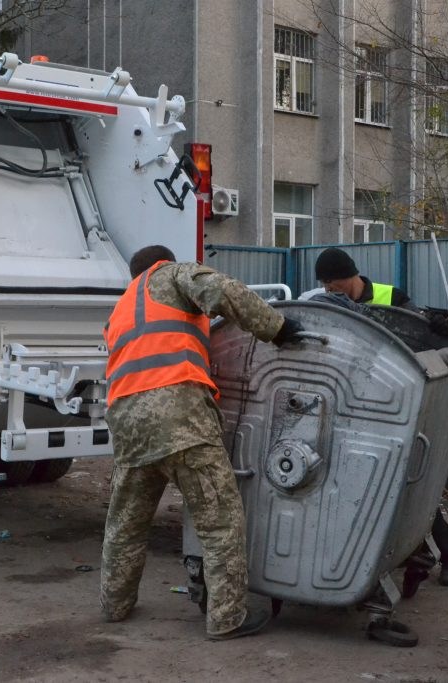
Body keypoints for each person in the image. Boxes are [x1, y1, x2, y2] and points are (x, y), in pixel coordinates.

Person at [100, 244, 305, 640]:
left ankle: (114, 604)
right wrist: (275, 328)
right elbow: (222, 290)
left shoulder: (121, 308)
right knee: (220, 521)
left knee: (125, 523)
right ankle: (227, 618)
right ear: (164, 262)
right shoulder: (173, 275)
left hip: (127, 423)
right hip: (179, 417)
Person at [312, 247, 448, 593]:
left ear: (351, 274)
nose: (328, 289)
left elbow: (424, 338)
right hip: (357, 406)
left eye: (333, 282)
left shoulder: (392, 297)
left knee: (410, 490)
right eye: (324, 284)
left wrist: (437, 327)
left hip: (401, 405)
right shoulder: (330, 302)